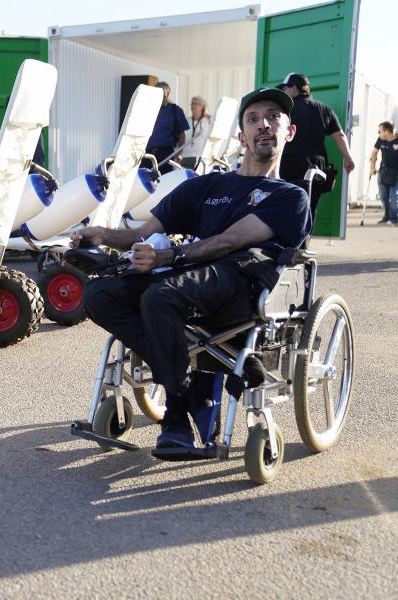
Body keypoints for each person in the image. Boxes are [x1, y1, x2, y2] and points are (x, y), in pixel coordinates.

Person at [72, 87, 312, 452]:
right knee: (100, 294)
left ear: (288, 131)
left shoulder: (290, 197)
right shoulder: (206, 186)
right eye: (253, 119)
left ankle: (176, 416)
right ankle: (186, 379)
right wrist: (101, 234)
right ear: (241, 136)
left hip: (239, 282)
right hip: (187, 277)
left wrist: (168, 258)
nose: (263, 125)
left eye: (273, 118)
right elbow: (141, 233)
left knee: (160, 296)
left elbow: (231, 241)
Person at [277, 73, 355, 218]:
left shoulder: (284, 110)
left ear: (294, 88)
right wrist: (348, 159)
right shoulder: (324, 109)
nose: (283, 92)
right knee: (309, 210)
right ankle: (305, 239)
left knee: (285, 209)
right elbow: (339, 136)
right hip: (315, 168)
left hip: (288, 165)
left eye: (284, 88)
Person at [145, 82, 190, 174]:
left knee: (163, 180)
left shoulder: (175, 110)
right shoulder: (147, 109)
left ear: (167, 94)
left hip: (166, 154)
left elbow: (182, 134)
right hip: (147, 154)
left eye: (163, 94)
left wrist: (179, 152)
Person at [369, 120, 398, 225]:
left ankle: (394, 218)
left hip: (396, 173)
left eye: (379, 131)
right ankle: (386, 216)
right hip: (383, 172)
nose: (378, 133)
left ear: (386, 131)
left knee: (394, 197)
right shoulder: (380, 140)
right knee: (383, 196)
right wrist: (372, 167)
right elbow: (374, 153)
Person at [180, 96, 212, 171]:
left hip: (201, 158)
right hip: (186, 157)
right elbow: (181, 139)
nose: (193, 106)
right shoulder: (186, 121)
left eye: (196, 104)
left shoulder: (209, 121)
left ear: (203, 106)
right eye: (192, 104)